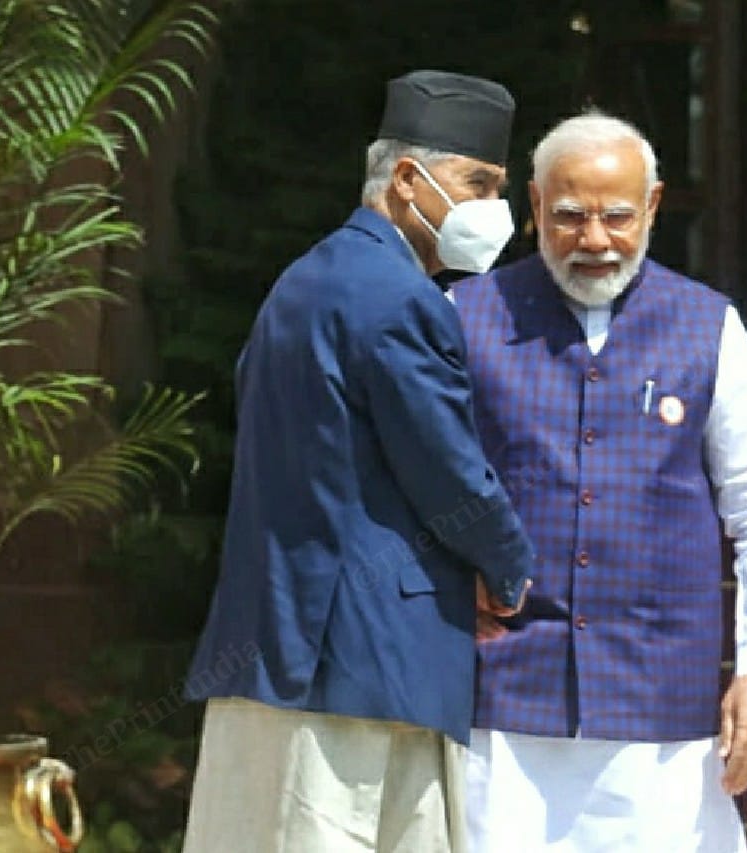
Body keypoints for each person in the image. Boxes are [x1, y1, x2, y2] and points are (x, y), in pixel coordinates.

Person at [181, 70, 535, 853]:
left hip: (282, 648)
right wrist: (506, 571)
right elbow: (452, 473)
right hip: (364, 665)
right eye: (478, 183)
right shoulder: (399, 298)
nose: (493, 209)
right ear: (408, 179)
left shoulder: (304, 281)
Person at [452, 111, 747, 852]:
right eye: (570, 216)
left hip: (659, 714)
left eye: (617, 215)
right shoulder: (465, 314)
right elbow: (401, 485)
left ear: (652, 206)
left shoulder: (708, 326)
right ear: (533, 206)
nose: (594, 240)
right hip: (501, 705)